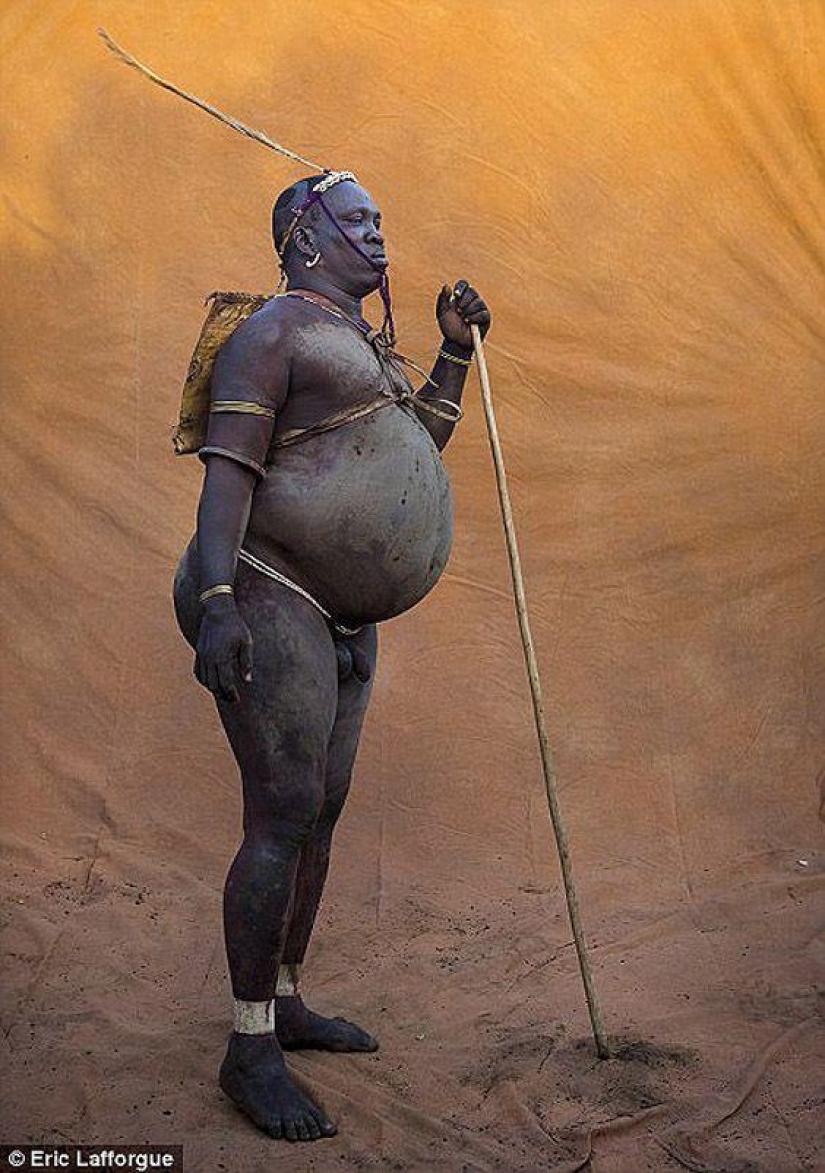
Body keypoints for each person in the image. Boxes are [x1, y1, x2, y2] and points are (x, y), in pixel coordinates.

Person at [173, 170, 491, 1142]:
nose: (378, 234)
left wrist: (450, 353)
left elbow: (420, 446)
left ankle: (284, 998)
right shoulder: (271, 335)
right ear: (306, 238)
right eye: (356, 221)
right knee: (279, 816)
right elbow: (229, 474)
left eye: (381, 218)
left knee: (318, 813)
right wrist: (220, 602)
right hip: (269, 592)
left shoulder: (364, 347)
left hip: (344, 618)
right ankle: (249, 1046)